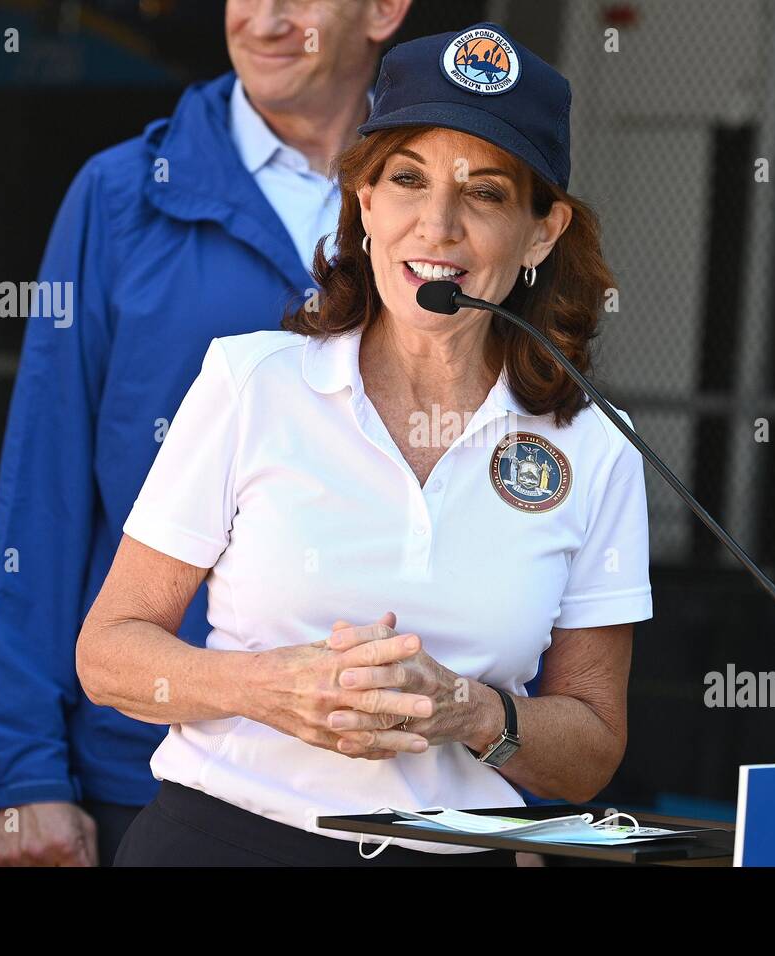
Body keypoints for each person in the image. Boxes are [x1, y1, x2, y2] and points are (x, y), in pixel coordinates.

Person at [77, 21, 653, 866]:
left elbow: (592, 752)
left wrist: (470, 711)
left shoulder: (598, 444)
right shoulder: (254, 384)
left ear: (543, 231)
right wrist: (271, 690)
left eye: (486, 192)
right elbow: (109, 655)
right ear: (363, 202)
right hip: (223, 843)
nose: (438, 225)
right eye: (407, 180)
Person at [0, 0, 413, 867]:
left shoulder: (446, 212)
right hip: (150, 771)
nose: (265, 18)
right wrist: (24, 776)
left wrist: (522, 799)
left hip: (401, 788)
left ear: (383, 10)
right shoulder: (119, 193)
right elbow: (44, 491)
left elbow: (509, 497)